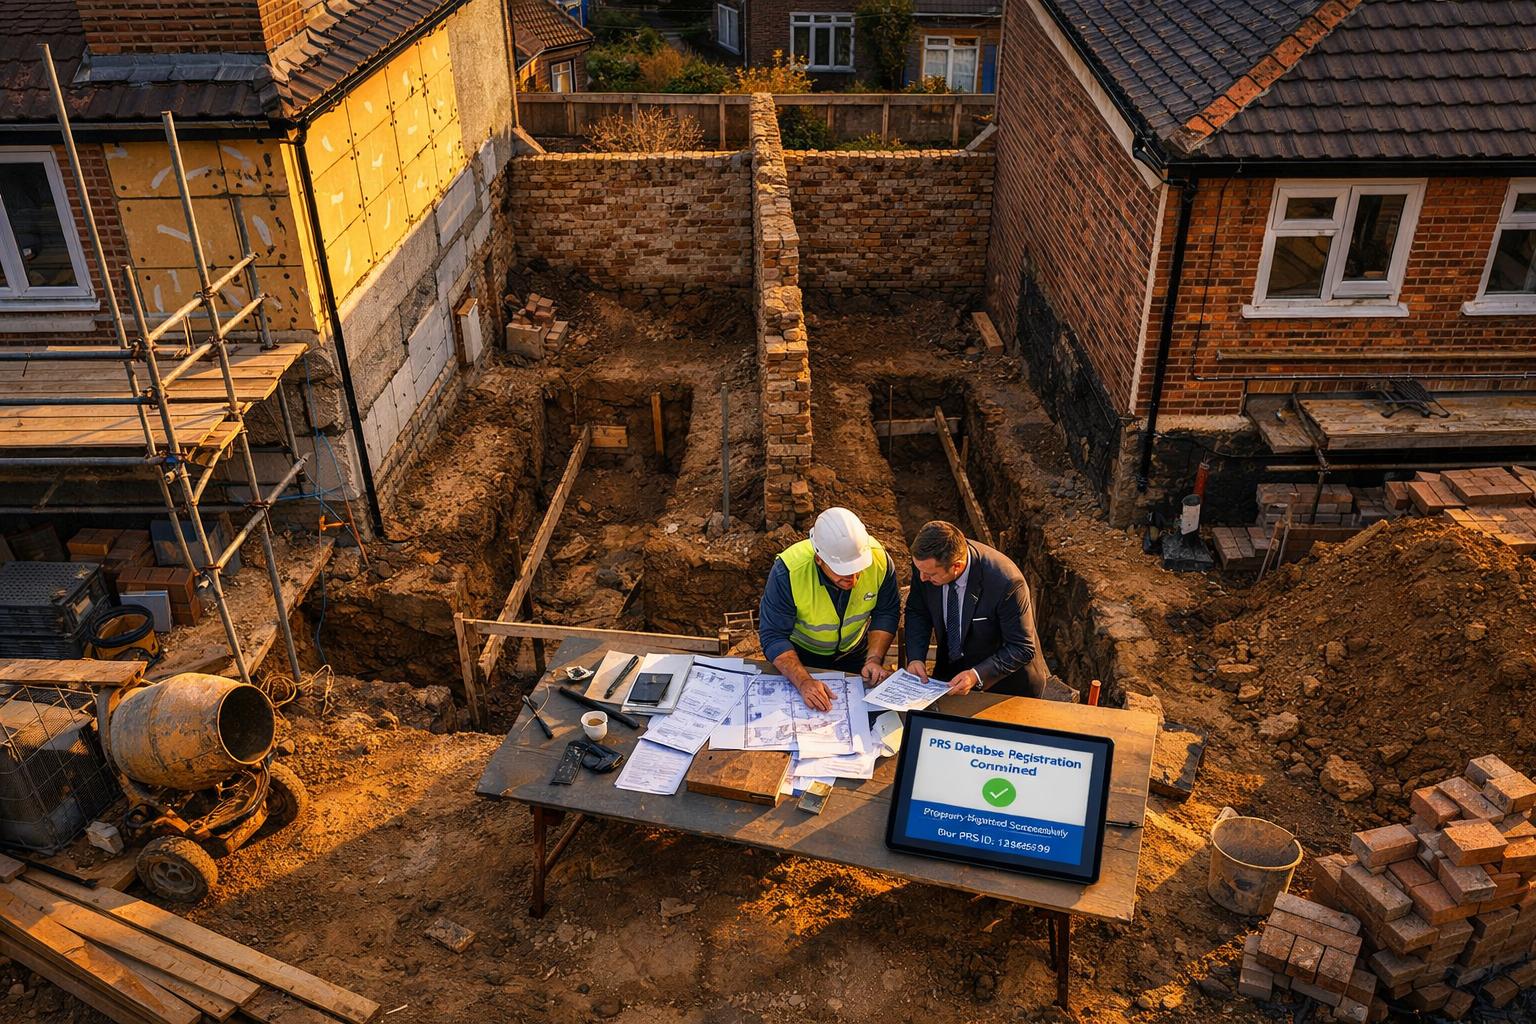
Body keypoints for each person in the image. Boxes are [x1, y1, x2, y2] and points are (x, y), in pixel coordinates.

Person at [758, 507, 901, 711]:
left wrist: (874, 658)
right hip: (803, 656)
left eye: (857, 570)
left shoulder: (879, 562)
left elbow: (886, 611)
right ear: (819, 559)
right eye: (842, 573)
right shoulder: (788, 572)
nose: (852, 580)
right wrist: (804, 682)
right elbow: (773, 636)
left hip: (855, 653)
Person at [902, 520, 1048, 698]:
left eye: (930, 574)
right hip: (950, 677)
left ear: (957, 566)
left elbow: (1021, 648)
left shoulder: (1006, 583)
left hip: (1004, 686)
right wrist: (916, 658)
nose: (922, 578)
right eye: (920, 571)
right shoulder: (926, 566)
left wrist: (976, 675)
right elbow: (918, 612)